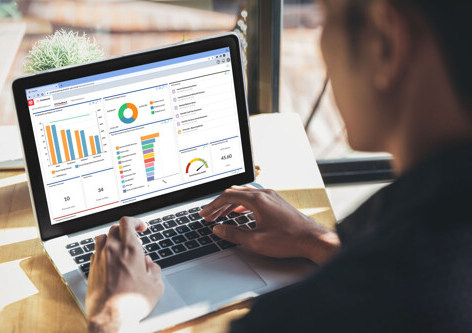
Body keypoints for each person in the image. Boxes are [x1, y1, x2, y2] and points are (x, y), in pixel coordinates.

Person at [86, 0, 472, 331]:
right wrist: (314, 240)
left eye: (325, 20)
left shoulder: (306, 318)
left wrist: (113, 317)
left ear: (385, 44)